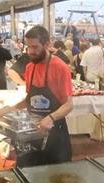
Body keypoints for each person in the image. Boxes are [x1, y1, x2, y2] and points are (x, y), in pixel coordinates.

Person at [14, 25, 73, 167]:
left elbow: (68, 104)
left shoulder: (60, 67)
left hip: (55, 134)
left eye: (34, 47)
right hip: (33, 132)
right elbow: (30, 99)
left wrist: (50, 117)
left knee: (55, 177)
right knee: (28, 172)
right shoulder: (30, 67)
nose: (30, 52)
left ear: (47, 44)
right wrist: (10, 109)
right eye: (28, 47)